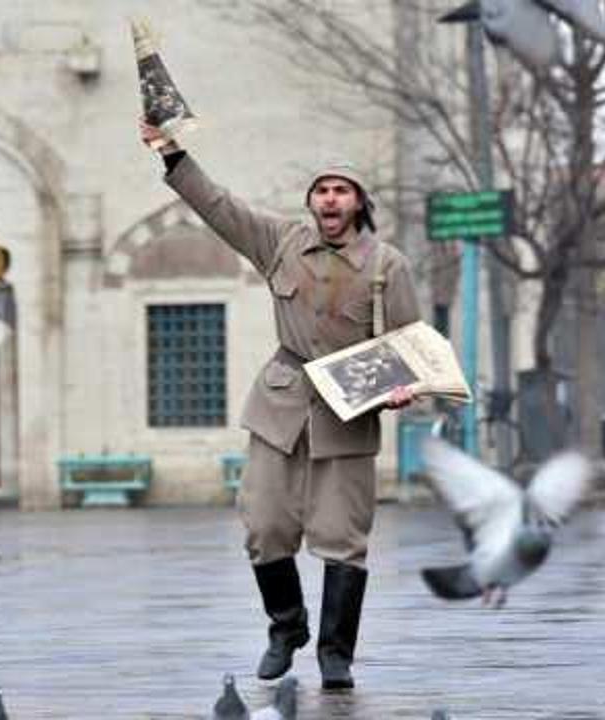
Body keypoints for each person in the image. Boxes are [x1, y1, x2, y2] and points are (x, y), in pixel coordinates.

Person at [141, 121, 422, 690]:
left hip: (349, 410)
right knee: (264, 523)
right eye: (322, 190)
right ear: (311, 201)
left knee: (342, 536)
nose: (330, 199)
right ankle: (286, 626)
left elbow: (411, 345)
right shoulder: (283, 243)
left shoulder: (387, 265)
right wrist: (171, 151)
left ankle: (335, 653)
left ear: (359, 202)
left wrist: (403, 388)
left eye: (342, 190)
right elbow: (219, 207)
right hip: (280, 405)